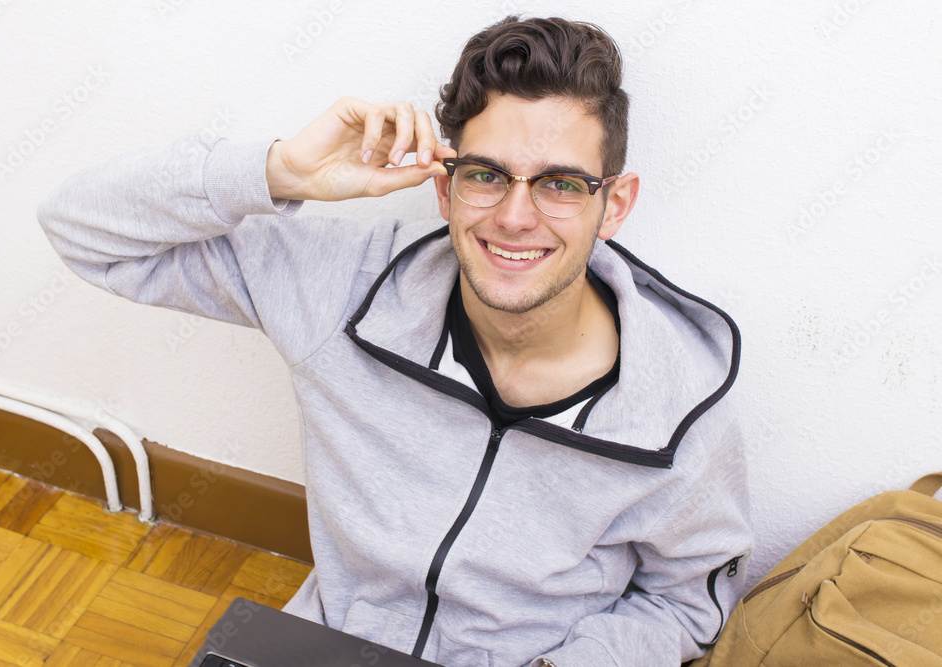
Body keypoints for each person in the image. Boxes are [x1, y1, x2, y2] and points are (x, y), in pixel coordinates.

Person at [38, 15, 752, 667]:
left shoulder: (681, 405)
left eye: (560, 183)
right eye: (486, 175)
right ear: (444, 190)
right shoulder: (344, 285)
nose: (514, 215)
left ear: (613, 203)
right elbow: (82, 229)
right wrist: (279, 169)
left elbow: (685, 600)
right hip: (324, 648)